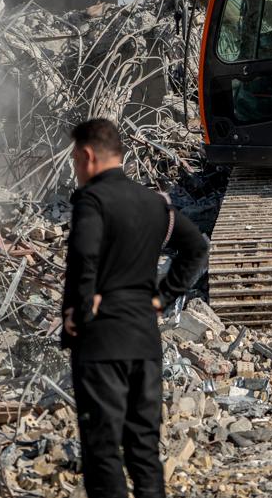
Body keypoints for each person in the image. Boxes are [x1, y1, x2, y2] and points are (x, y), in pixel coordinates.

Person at [61, 118, 209, 498]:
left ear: (87, 156)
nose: (77, 170)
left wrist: (81, 307)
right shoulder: (154, 204)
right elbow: (196, 248)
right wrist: (162, 296)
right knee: (144, 447)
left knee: (103, 449)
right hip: (144, 342)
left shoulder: (91, 201)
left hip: (101, 345)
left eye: (76, 161)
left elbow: (84, 256)